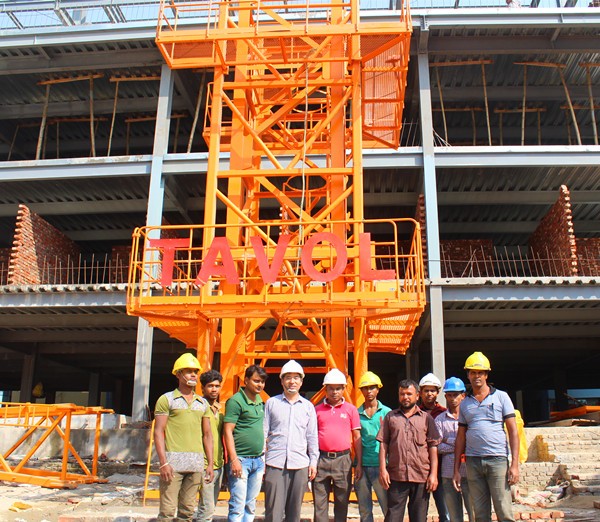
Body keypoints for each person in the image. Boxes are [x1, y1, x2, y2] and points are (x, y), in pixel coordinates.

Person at [452, 352, 520, 522]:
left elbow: (513, 431)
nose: (476, 376)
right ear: (468, 374)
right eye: (473, 373)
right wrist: (456, 470)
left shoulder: (501, 397)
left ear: (486, 375)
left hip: (497, 460)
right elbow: (461, 437)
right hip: (473, 461)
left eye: (480, 373)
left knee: (503, 511)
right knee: (480, 514)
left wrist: (515, 464)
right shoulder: (466, 403)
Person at [154, 353, 214, 522]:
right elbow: (159, 431)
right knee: (166, 512)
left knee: (187, 512)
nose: (193, 375)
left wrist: (209, 464)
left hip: (195, 465)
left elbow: (208, 435)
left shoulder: (202, 404)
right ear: (178, 374)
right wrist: (163, 462)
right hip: (172, 465)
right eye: (188, 371)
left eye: (195, 371)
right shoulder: (167, 400)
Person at [378, 378, 441, 522]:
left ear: (417, 396)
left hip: (421, 476)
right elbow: (383, 444)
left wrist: (433, 474)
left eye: (409, 394)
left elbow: (433, 447)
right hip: (396, 476)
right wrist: (383, 469)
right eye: (402, 394)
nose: (405, 397)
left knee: (419, 518)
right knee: (393, 517)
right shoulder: (391, 417)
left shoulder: (426, 418)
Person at [263, 360, 319, 522]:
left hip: (300, 464)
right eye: (288, 377)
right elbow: (264, 432)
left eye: (296, 378)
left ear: (301, 382)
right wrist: (262, 461)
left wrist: (313, 462)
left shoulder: (308, 407)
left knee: (294, 514)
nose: (292, 381)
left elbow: (312, 437)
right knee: (273, 512)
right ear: (281, 380)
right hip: (275, 464)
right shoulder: (272, 403)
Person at [313, 368, 362, 522]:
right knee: (320, 505)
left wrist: (358, 463)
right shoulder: (316, 410)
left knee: (342, 503)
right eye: (331, 388)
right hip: (322, 459)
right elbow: (311, 437)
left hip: (343, 460)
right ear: (325, 389)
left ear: (343, 389)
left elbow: (356, 436)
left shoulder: (351, 410)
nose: (334, 392)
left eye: (338, 388)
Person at [223, 365, 268, 522]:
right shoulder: (236, 401)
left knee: (250, 505)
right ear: (246, 380)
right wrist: (234, 460)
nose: (259, 385)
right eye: (256, 381)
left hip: (258, 460)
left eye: (262, 382)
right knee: (237, 505)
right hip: (241, 460)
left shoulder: (259, 402)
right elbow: (227, 430)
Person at [435, 377, 474, 522]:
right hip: (448, 473)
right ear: (445, 396)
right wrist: (458, 444)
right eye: (449, 395)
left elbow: (473, 442)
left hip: (470, 472)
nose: (453, 398)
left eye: (456, 394)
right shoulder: (439, 420)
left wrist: (449, 442)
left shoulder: (471, 416)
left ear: (463, 395)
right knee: (454, 516)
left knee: (474, 513)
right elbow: (437, 446)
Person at [355, 371, 391, 522]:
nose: (369, 391)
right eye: (365, 388)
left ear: (378, 389)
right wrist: (358, 464)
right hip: (362, 466)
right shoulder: (356, 414)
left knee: (388, 508)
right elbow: (356, 439)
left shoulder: (388, 413)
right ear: (361, 391)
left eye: (372, 387)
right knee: (364, 510)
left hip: (381, 466)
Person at [419, 373, 449, 522]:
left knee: (445, 510)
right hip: (420, 466)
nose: (429, 394)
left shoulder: (444, 414)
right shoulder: (415, 413)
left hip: (442, 466)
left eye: (432, 390)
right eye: (426, 390)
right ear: (420, 393)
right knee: (419, 512)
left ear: (437, 393)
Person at [197, 370, 225, 522]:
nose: (214, 389)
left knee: (211, 506)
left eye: (217, 386)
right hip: (204, 464)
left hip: (218, 464)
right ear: (202, 389)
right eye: (210, 386)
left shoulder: (220, 411)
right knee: (206, 509)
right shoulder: (199, 408)